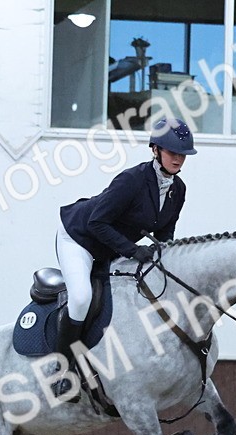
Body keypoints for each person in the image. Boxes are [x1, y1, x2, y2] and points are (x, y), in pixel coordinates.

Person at [52, 117, 196, 396]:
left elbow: (165, 235)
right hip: (79, 238)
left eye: (182, 154)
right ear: (155, 149)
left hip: (111, 247)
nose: (178, 158)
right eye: (172, 152)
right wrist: (132, 251)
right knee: (81, 298)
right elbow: (96, 222)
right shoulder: (132, 180)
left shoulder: (179, 190)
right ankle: (61, 370)